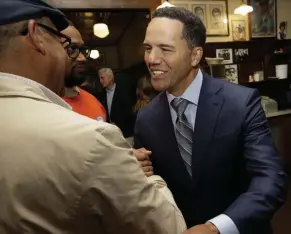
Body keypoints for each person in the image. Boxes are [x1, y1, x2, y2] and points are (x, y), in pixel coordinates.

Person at [0, 0, 186, 233]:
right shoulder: (91, 140)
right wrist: (142, 176)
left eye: (165, 49)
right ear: (36, 35)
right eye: (64, 43)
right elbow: (168, 227)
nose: (72, 57)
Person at [134, 7, 286, 234]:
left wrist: (215, 228)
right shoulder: (146, 118)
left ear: (195, 55)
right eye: (148, 48)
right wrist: (133, 170)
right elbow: (150, 189)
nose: (152, 59)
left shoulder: (241, 103)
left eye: (165, 49)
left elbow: (270, 180)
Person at [62, 25, 107, 121]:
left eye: (82, 50)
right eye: (71, 49)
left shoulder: (94, 102)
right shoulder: (39, 107)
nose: (83, 58)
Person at [98, 67, 136, 144]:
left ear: (111, 77)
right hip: (111, 137)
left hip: (126, 135)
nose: (100, 81)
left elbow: (129, 113)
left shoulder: (123, 92)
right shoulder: (101, 95)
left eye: (102, 78)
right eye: (99, 78)